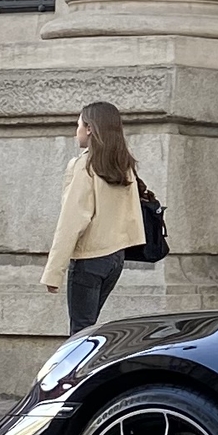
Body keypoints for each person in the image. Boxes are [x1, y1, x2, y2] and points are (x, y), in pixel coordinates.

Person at [42, 100, 146, 332]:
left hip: (90, 258)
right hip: (115, 259)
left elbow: (72, 220)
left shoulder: (85, 165)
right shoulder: (123, 165)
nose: (76, 130)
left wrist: (53, 272)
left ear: (89, 128)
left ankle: (80, 370)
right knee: (89, 329)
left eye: (78, 124)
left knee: (80, 333)